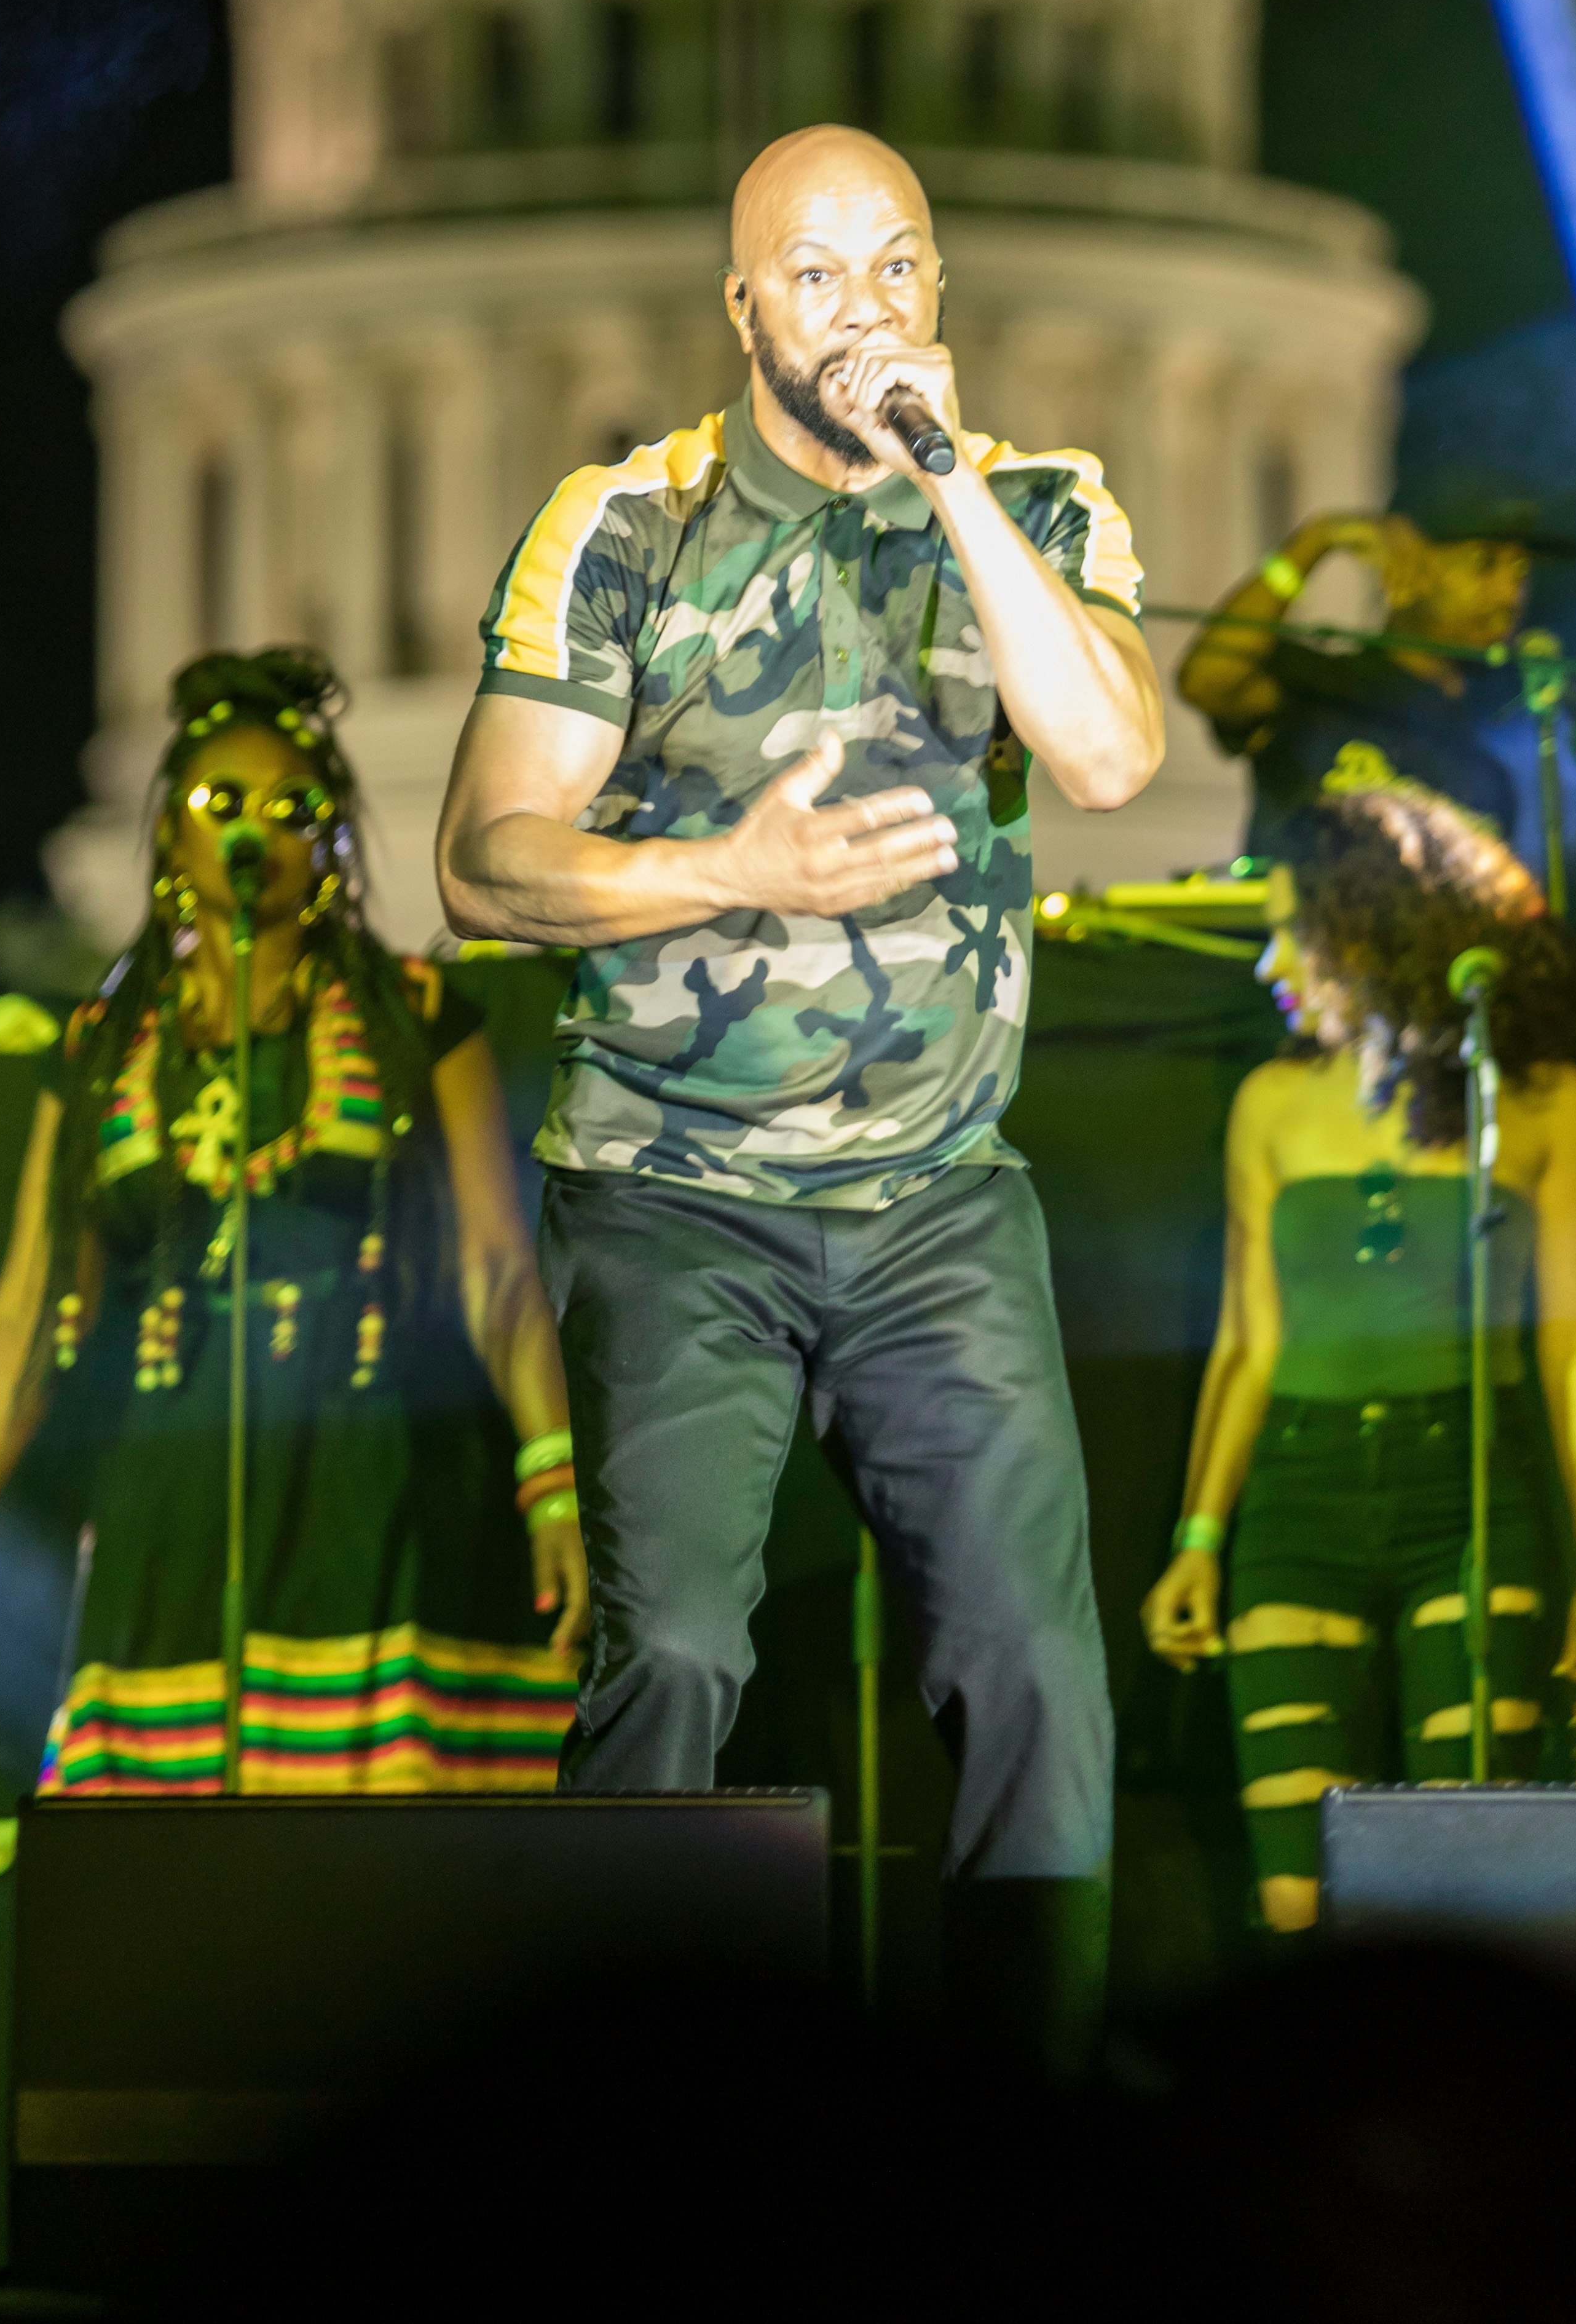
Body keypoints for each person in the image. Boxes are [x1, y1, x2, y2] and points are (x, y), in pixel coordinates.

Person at [435, 124, 1164, 2020]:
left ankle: (1029, 2144)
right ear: (746, 305)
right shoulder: (628, 523)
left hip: (936, 1203)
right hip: (675, 1196)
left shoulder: (1044, 503)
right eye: (821, 276)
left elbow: (1101, 763)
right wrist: (726, 871)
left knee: (1035, 1676)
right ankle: (628, 2131)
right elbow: (486, 857)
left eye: (901, 267)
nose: (867, 311)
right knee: (673, 1654)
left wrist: (953, 484)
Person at [0, 647, 589, 1793]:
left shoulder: (417, 1019)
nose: (254, 828)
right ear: (170, 833)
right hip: (170, 1502)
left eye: (291, 807)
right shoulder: (102, 1053)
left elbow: (497, 1276)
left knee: (377, 1881)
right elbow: (31, 1307)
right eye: (222, 803)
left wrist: (550, 1478)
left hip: (373, 1481)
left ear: (329, 840)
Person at [1140, 780, 1576, 1931]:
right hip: (1294, 1507)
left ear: (1367, 932)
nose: (1269, 960)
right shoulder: (1268, 1104)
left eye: (1288, 929)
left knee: (1465, 1889)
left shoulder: (1544, 1102)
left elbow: (1574, 1347)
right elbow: (1245, 1339)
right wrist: (1196, 1539)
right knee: (1289, 1895)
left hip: (1464, 1498)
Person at [1178, 494, 1575, 863]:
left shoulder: (1487, 773)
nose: (1509, 593)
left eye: (1520, 573)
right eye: (1483, 563)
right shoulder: (1317, 687)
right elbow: (1208, 680)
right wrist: (1316, 540)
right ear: (1406, 564)